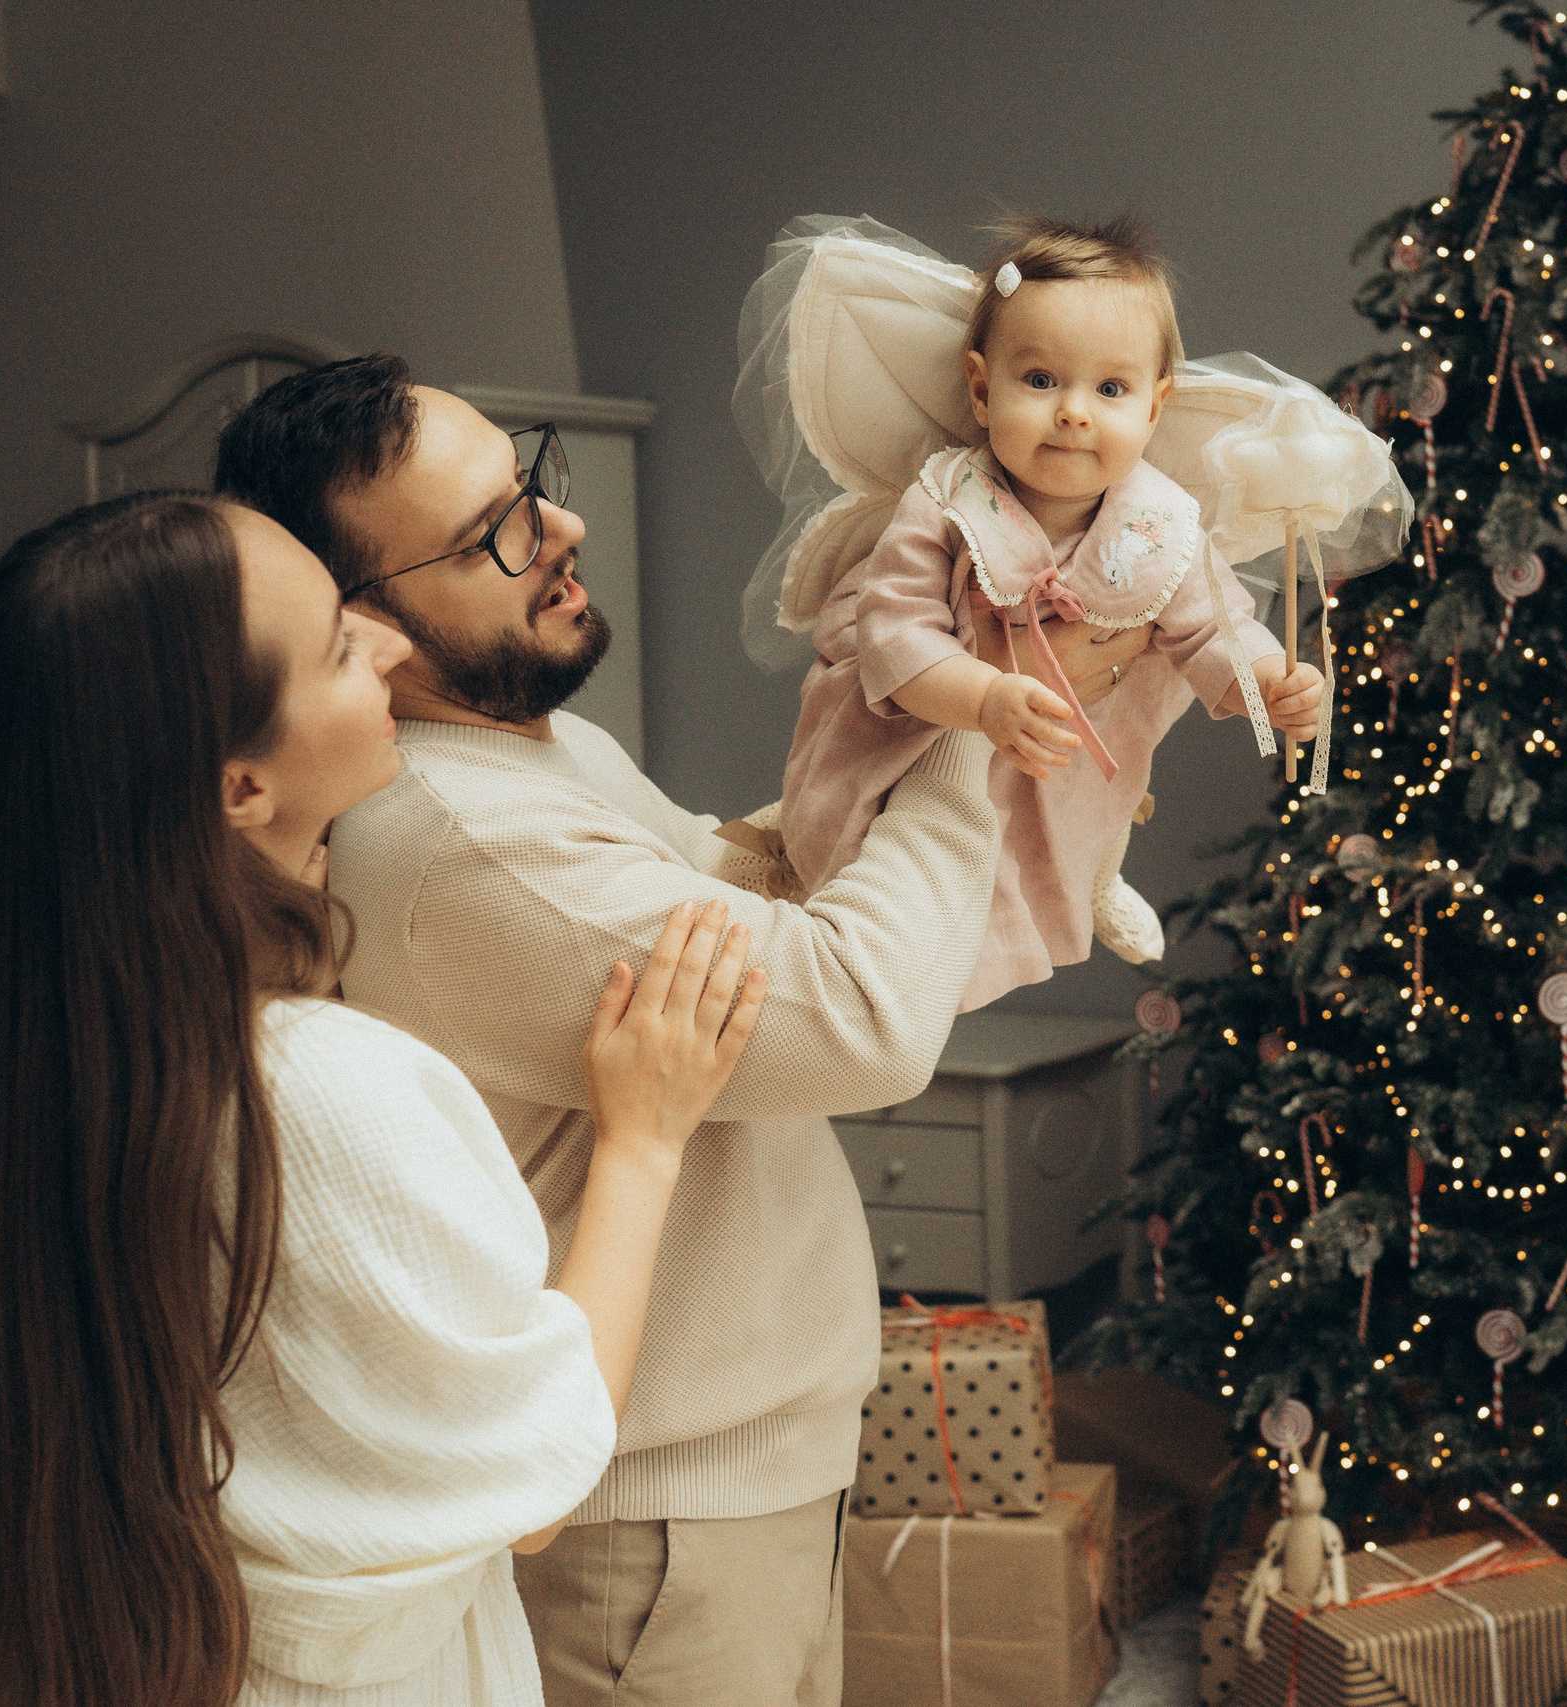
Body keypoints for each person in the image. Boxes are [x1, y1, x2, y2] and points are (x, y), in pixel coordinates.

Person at [213, 356, 1149, 1706]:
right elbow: (862, 1012)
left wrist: (932, 723)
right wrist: (966, 711)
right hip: (651, 1529)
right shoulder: (464, 839)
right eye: (492, 534)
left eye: (530, 482)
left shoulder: (533, 746)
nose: (561, 526)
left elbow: (743, 880)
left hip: (736, 1480)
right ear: (364, 624)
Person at [0, 490, 760, 1707]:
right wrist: (643, 1141)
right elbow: (536, 1479)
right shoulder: (326, 1090)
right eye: (343, 647)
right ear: (240, 788)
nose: (393, 644)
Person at [772, 214, 1325, 1010]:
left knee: (1074, 820)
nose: (1073, 412)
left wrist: (1268, 681)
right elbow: (895, 633)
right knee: (909, 881)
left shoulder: (1160, 523)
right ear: (980, 388)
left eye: (1110, 389)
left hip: (1067, 752)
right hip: (929, 725)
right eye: (1040, 381)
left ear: (1155, 406)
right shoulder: (948, 500)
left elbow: (1217, 628)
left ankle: (1097, 870)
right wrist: (984, 697)